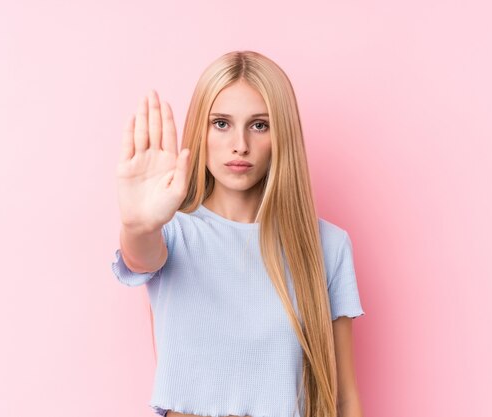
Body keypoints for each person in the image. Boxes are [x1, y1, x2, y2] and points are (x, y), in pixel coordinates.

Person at [111, 51, 365, 417]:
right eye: (221, 123)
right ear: (201, 127)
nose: (240, 144)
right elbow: (140, 254)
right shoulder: (171, 233)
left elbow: (343, 398)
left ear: (282, 135)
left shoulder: (327, 245)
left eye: (259, 125)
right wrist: (137, 225)